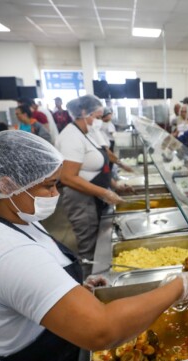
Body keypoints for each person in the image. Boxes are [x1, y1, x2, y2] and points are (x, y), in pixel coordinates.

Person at [0, 130, 188, 361]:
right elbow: (102, 330)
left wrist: (71, 288)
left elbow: (34, 282)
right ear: (6, 186)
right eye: (49, 185)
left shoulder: (14, 219)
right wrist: (179, 287)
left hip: (44, 358)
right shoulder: (9, 254)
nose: (56, 193)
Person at [55, 95, 129, 262]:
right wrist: (104, 192)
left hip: (95, 195)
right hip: (81, 199)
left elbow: (97, 166)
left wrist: (114, 185)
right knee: (89, 247)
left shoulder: (87, 133)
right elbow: (68, 177)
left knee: (99, 241)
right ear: (83, 113)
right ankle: (89, 276)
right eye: (97, 117)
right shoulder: (71, 137)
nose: (99, 121)